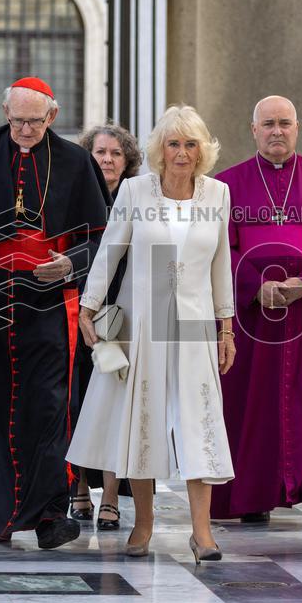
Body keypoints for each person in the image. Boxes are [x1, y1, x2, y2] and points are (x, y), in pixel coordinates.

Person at [0, 77, 110, 550]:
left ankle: (51, 515)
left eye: (33, 122)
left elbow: (100, 239)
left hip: (47, 304)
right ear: (5, 112)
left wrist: (69, 264)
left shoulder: (76, 162)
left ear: (51, 117)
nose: (23, 130)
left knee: (49, 408)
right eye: (16, 121)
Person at [68, 105, 236, 564]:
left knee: (198, 421)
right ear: (160, 148)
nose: (182, 153)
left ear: (203, 150)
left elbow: (221, 264)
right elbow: (110, 250)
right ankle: (143, 524)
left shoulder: (218, 195)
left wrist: (227, 326)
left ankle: (202, 533)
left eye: (191, 144)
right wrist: (89, 304)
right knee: (142, 420)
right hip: (142, 321)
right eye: (173, 143)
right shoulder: (135, 190)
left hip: (195, 323)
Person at [211, 96, 302, 525]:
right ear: (253, 130)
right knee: (251, 403)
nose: (277, 131)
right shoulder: (226, 186)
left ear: (298, 127)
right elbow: (218, 250)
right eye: (268, 123)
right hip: (250, 318)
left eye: (285, 122)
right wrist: (253, 286)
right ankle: (254, 493)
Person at [69, 123, 142, 530]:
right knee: (80, 404)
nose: (109, 159)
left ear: (127, 160)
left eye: (116, 153)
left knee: (116, 406)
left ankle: (111, 497)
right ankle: (79, 489)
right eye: (100, 152)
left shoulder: (139, 199)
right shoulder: (75, 198)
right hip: (78, 313)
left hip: (124, 314)